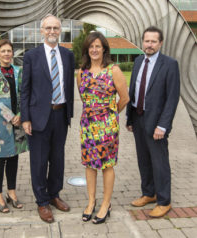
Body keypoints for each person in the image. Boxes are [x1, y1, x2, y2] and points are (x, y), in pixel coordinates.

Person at [20, 14, 75, 223]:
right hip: (38, 118)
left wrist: (69, 112)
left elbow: (69, 85)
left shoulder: (67, 55)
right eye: (48, 28)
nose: (52, 31)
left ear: (60, 30)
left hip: (60, 115)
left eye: (56, 28)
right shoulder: (31, 56)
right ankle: (42, 201)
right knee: (39, 161)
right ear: (41, 31)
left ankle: (54, 195)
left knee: (58, 159)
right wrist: (25, 118)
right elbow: (25, 90)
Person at [126, 26, 180, 217]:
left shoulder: (170, 64)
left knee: (159, 162)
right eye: (146, 41)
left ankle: (164, 201)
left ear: (160, 43)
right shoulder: (139, 61)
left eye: (153, 41)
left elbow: (172, 98)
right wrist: (130, 118)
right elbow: (133, 91)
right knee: (143, 160)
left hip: (157, 123)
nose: (149, 45)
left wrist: (163, 125)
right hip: (138, 119)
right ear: (143, 42)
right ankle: (149, 193)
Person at [77, 31, 129, 224]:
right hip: (88, 126)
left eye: (98, 46)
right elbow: (84, 98)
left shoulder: (113, 70)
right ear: (87, 50)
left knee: (107, 165)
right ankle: (91, 202)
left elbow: (124, 99)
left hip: (108, 127)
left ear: (104, 48)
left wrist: (110, 115)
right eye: (91, 46)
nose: (94, 49)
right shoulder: (81, 72)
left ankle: (106, 204)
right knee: (90, 165)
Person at [0, 39, 28, 213]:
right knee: (0, 159)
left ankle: (12, 192)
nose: (7, 54)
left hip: (18, 122)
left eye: (9, 51)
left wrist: (20, 115)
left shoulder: (18, 71)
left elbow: (24, 93)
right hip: (0, 125)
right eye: (3, 51)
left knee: (14, 158)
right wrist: (10, 117)